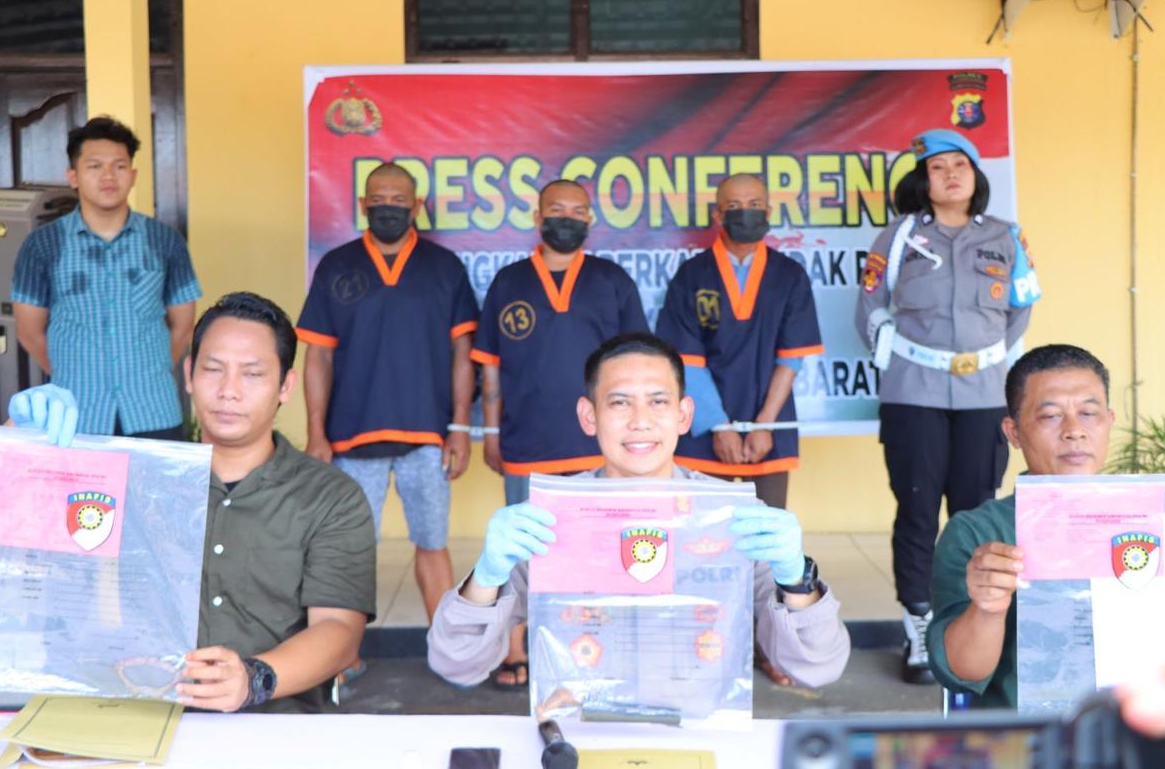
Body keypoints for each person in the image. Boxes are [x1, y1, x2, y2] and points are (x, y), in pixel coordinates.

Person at [9, 292, 376, 712]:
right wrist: (18, 442)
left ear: (285, 386)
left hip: (275, 721)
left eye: (252, 374)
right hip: (139, 714)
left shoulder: (330, 497)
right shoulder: (131, 478)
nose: (229, 391)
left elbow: (339, 629)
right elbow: (16, 532)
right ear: (188, 374)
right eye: (213, 369)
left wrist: (253, 679)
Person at [427, 332, 850, 690]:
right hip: (579, 737)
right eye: (619, 403)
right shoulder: (551, 520)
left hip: (699, 736)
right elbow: (456, 663)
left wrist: (796, 578)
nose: (640, 421)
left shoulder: (730, 518)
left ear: (684, 415)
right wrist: (486, 577)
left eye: (658, 401)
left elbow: (818, 666)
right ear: (588, 416)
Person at [926, 344, 1165, 709]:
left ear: (1109, 421)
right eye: (1051, 416)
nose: (1074, 431)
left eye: (1088, 413)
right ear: (1013, 432)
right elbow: (962, 672)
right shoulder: (979, 535)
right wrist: (987, 608)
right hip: (1036, 735)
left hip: (1154, 725)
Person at [853, 127, 1040, 684]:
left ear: (975, 176)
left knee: (975, 510)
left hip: (984, 396)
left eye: (960, 165)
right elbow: (869, 307)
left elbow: (1021, 309)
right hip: (914, 393)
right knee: (916, 510)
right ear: (924, 180)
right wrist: (896, 356)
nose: (951, 175)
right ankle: (918, 623)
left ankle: (972, 621)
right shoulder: (899, 237)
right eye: (938, 168)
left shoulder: (1006, 237)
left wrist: (989, 360)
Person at [470, 178, 648, 687]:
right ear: (537, 217)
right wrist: (491, 433)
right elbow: (490, 368)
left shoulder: (612, 280)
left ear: (590, 219)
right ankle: (516, 648)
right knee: (522, 555)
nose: (566, 218)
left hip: (600, 447)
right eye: (556, 209)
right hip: (527, 443)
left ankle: (598, 652)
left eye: (576, 210)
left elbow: (636, 364)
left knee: (602, 553)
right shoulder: (509, 282)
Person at [297, 162, 478, 628]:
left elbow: (463, 354)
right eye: (378, 200)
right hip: (350, 435)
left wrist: (460, 426)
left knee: (433, 544)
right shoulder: (337, 265)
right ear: (363, 204)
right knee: (349, 553)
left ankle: (447, 648)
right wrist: (316, 433)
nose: (388, 208)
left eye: (399, 201)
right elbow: (317, 356)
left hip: (427, 435)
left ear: (416, 206)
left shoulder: (443, 267)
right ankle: (342, 654)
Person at [11, 116, 201, 440]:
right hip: (76, 415)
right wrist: (74, 373)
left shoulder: (164, 240)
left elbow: (183, 326)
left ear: (133, 175)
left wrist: (148, 370)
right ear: (73, 176)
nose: (108, 176)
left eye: (119, 166)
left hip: (153, 409)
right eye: (95, 166)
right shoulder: (42, 245)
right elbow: (29, 332)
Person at [655, 173, 823, 509]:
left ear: (769, 211)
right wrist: (718, 426)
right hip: (703, 428)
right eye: (734, 205)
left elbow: (791, 358)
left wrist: (765, 424)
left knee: (766, 530)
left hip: (769, 429)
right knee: (701, 529)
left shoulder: (789, 275)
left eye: (754, 204)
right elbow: (686, 360)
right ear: (717, 215)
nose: (745, 212)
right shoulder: (692, 275)